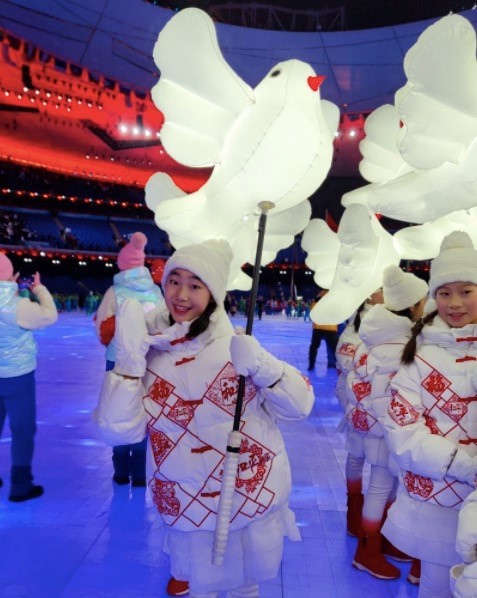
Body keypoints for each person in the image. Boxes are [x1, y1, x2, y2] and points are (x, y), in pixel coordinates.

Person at [93, 239, 314, 598]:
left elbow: (299, 407)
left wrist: (262, 365)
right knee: (200, 588)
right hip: (185, 498)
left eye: (195, 285)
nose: (181, 294)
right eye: (174, 281)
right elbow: (120, 431)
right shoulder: (147, 348)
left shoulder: (239, 346)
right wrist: (129, 366)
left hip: (244, 494)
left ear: (213, 293)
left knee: (245, 585)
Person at [382, 231, 477, 598]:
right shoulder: (416, 357)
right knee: (437, 587)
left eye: (466, 291)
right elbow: (403, 430)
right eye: (444, 292)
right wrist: (465, 465)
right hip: (438, 504)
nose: (455, 303)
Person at [347, 266, 428, 582]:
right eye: (422, 301)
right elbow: (389, 397)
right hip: (388, 432)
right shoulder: (399, 344)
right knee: (383, 488)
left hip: (376, 429)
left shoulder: (377, 336)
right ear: (410, 306)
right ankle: (367, 552)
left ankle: (386, 542)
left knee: (385, 488)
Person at [94, 232, 163, 487]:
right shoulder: (155, 291)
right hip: (146, 359)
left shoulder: (115, 291)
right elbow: (161, 324)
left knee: (117, 409)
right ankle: (140, 474)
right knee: (141, 411)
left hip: (118, 361)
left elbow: (102, 328)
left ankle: (121, 471)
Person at [0, 252, 57, 501]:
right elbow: (49, 315)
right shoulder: (18, 306)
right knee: (22, 429)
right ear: (11, 276)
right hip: (17, 375)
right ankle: (20, 484)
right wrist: (39, 288)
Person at [335, 287, 384, 538]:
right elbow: (345, 363)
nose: (385, 293)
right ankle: (354, 510)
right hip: (356, 404)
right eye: (380, 289)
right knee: (356, 456)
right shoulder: (354, 329)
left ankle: (376, 519)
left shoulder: (392, 322)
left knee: (382, 464)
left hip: (382, 409)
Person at [308, 290, 339, 370]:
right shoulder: (335, 296)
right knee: (335, 348)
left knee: (314, 347)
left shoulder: (320, 294)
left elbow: (312, 310)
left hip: (318, 326)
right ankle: (339, 365)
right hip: (331, 327)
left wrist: (316, 300)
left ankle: (311, 365)